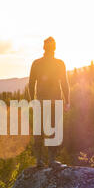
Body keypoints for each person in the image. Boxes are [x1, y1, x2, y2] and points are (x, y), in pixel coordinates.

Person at [28, 36, 70, 168]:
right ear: (55, 48)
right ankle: (52, 161)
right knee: (54, 131)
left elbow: (30, 84)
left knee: (39, 131)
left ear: (43, 48)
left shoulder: (36, 63)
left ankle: (39, 161)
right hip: (55, 101)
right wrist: (67, 101)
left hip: (40, 101)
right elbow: (65, 84)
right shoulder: (60, 63)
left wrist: (32, 101)